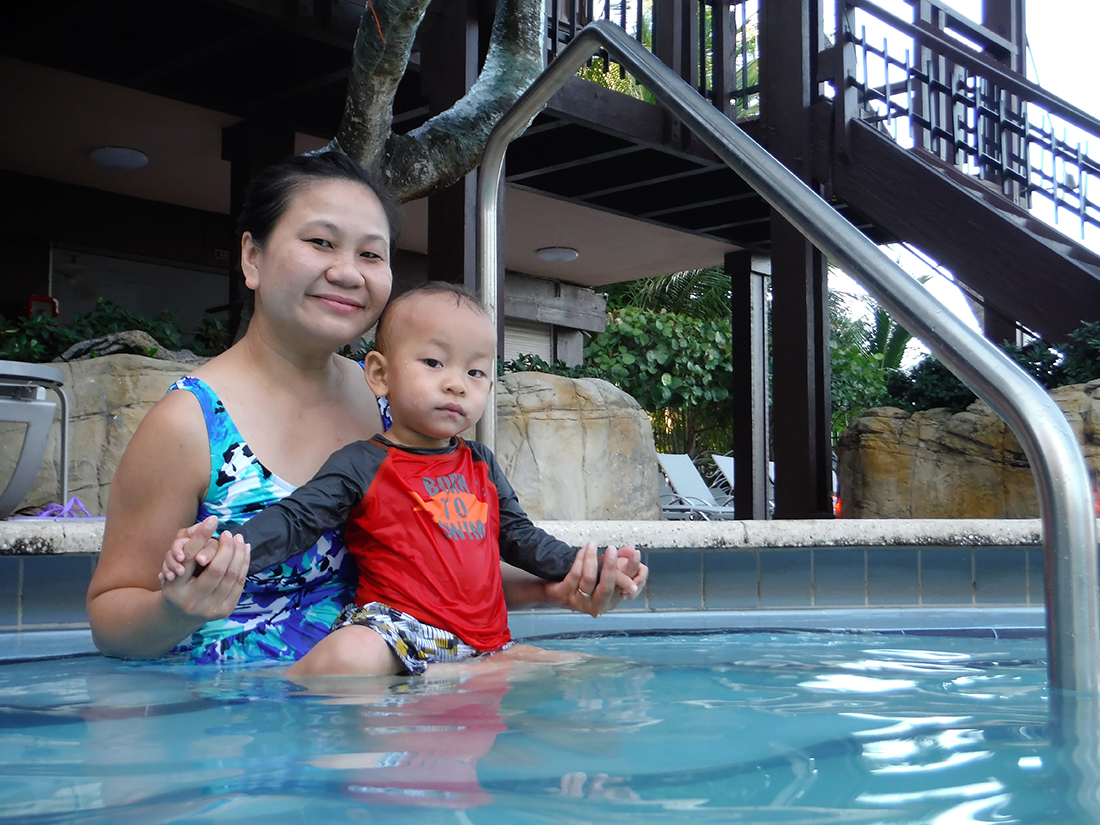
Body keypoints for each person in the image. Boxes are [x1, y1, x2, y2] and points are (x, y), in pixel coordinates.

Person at [87, 151, 643, 669]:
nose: (348, 272)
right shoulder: (189, 424)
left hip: (406, 700)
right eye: (321, 243)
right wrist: (177, 608)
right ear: (252, 257)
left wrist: (557, 589)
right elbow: (111, 623)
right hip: (248, 726)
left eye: (370, 254)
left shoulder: (394, 404)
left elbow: (432, 572)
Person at [162, 283, 647, 676]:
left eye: (475, 371)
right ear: (379, 373)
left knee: (592, 671)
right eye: (434, 363)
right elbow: (295, 520)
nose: (456, 382)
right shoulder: (363, 462)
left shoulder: (480, 464)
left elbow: (520, 539)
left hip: (484, 640)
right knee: (346, 658)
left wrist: (596, 566)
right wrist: (222, 550)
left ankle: (447, 679)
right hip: (397, 632)